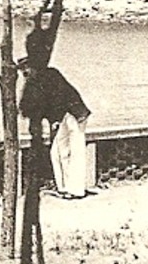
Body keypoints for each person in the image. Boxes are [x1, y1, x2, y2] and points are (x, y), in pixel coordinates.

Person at [17, 31, 93, 199]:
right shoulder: (44, 77)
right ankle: (70, 188)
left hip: (72, 114)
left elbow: (59, 99)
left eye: (26, 71)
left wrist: (55, 121)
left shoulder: (48, 76)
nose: (25, 75)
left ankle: (71, 189)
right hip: (73, 113)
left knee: (64, 150)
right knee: (66, 150)